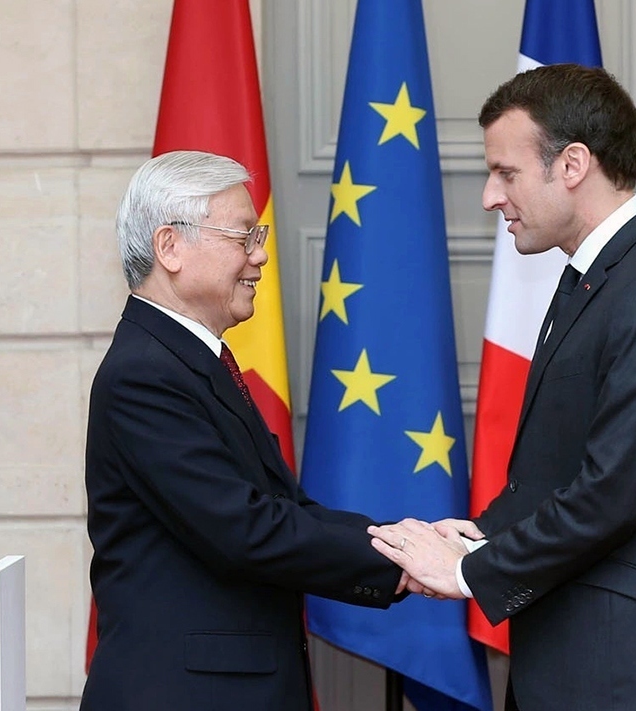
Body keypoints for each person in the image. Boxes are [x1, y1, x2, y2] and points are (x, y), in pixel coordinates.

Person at [368, 64, 636, 711]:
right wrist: (476, 536)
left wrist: (463, 571)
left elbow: (611, 493)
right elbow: (556, 475)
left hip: (627, 674)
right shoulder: (594, 281)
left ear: (572, 164)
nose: (489, 196)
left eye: (505, 172)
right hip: (576, 660)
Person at [81, 151, 404, 711]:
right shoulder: (145, 374)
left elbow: (285, 507)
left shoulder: (188, 360)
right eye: (243, 237)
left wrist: (400, 539)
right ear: (170, 247)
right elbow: (245, 529)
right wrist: (404, 560)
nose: (260, 256)